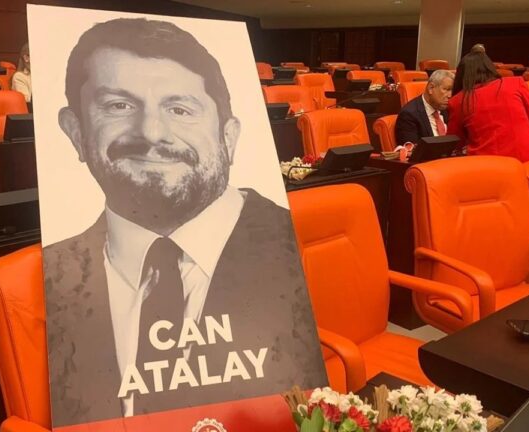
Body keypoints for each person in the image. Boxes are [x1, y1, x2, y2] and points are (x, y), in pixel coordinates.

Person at [45, 17, 324, 426]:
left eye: (180, 109)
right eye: (119, 106)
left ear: (229, 138)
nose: (152, 133)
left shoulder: (298, 248)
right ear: (76, 132)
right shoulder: (56, 277)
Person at [447, 51, 529, 162]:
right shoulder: (516, 83)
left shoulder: (458, 100)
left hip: (490, 165)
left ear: (462, 75)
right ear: (490, 68)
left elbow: (454, 142)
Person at [394, 69, 454, 146]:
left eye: (452, 91)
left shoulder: (447, 110)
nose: (450, 95)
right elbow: (412, 150)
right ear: (431, 88)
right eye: (447, 89)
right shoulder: (409, 115)